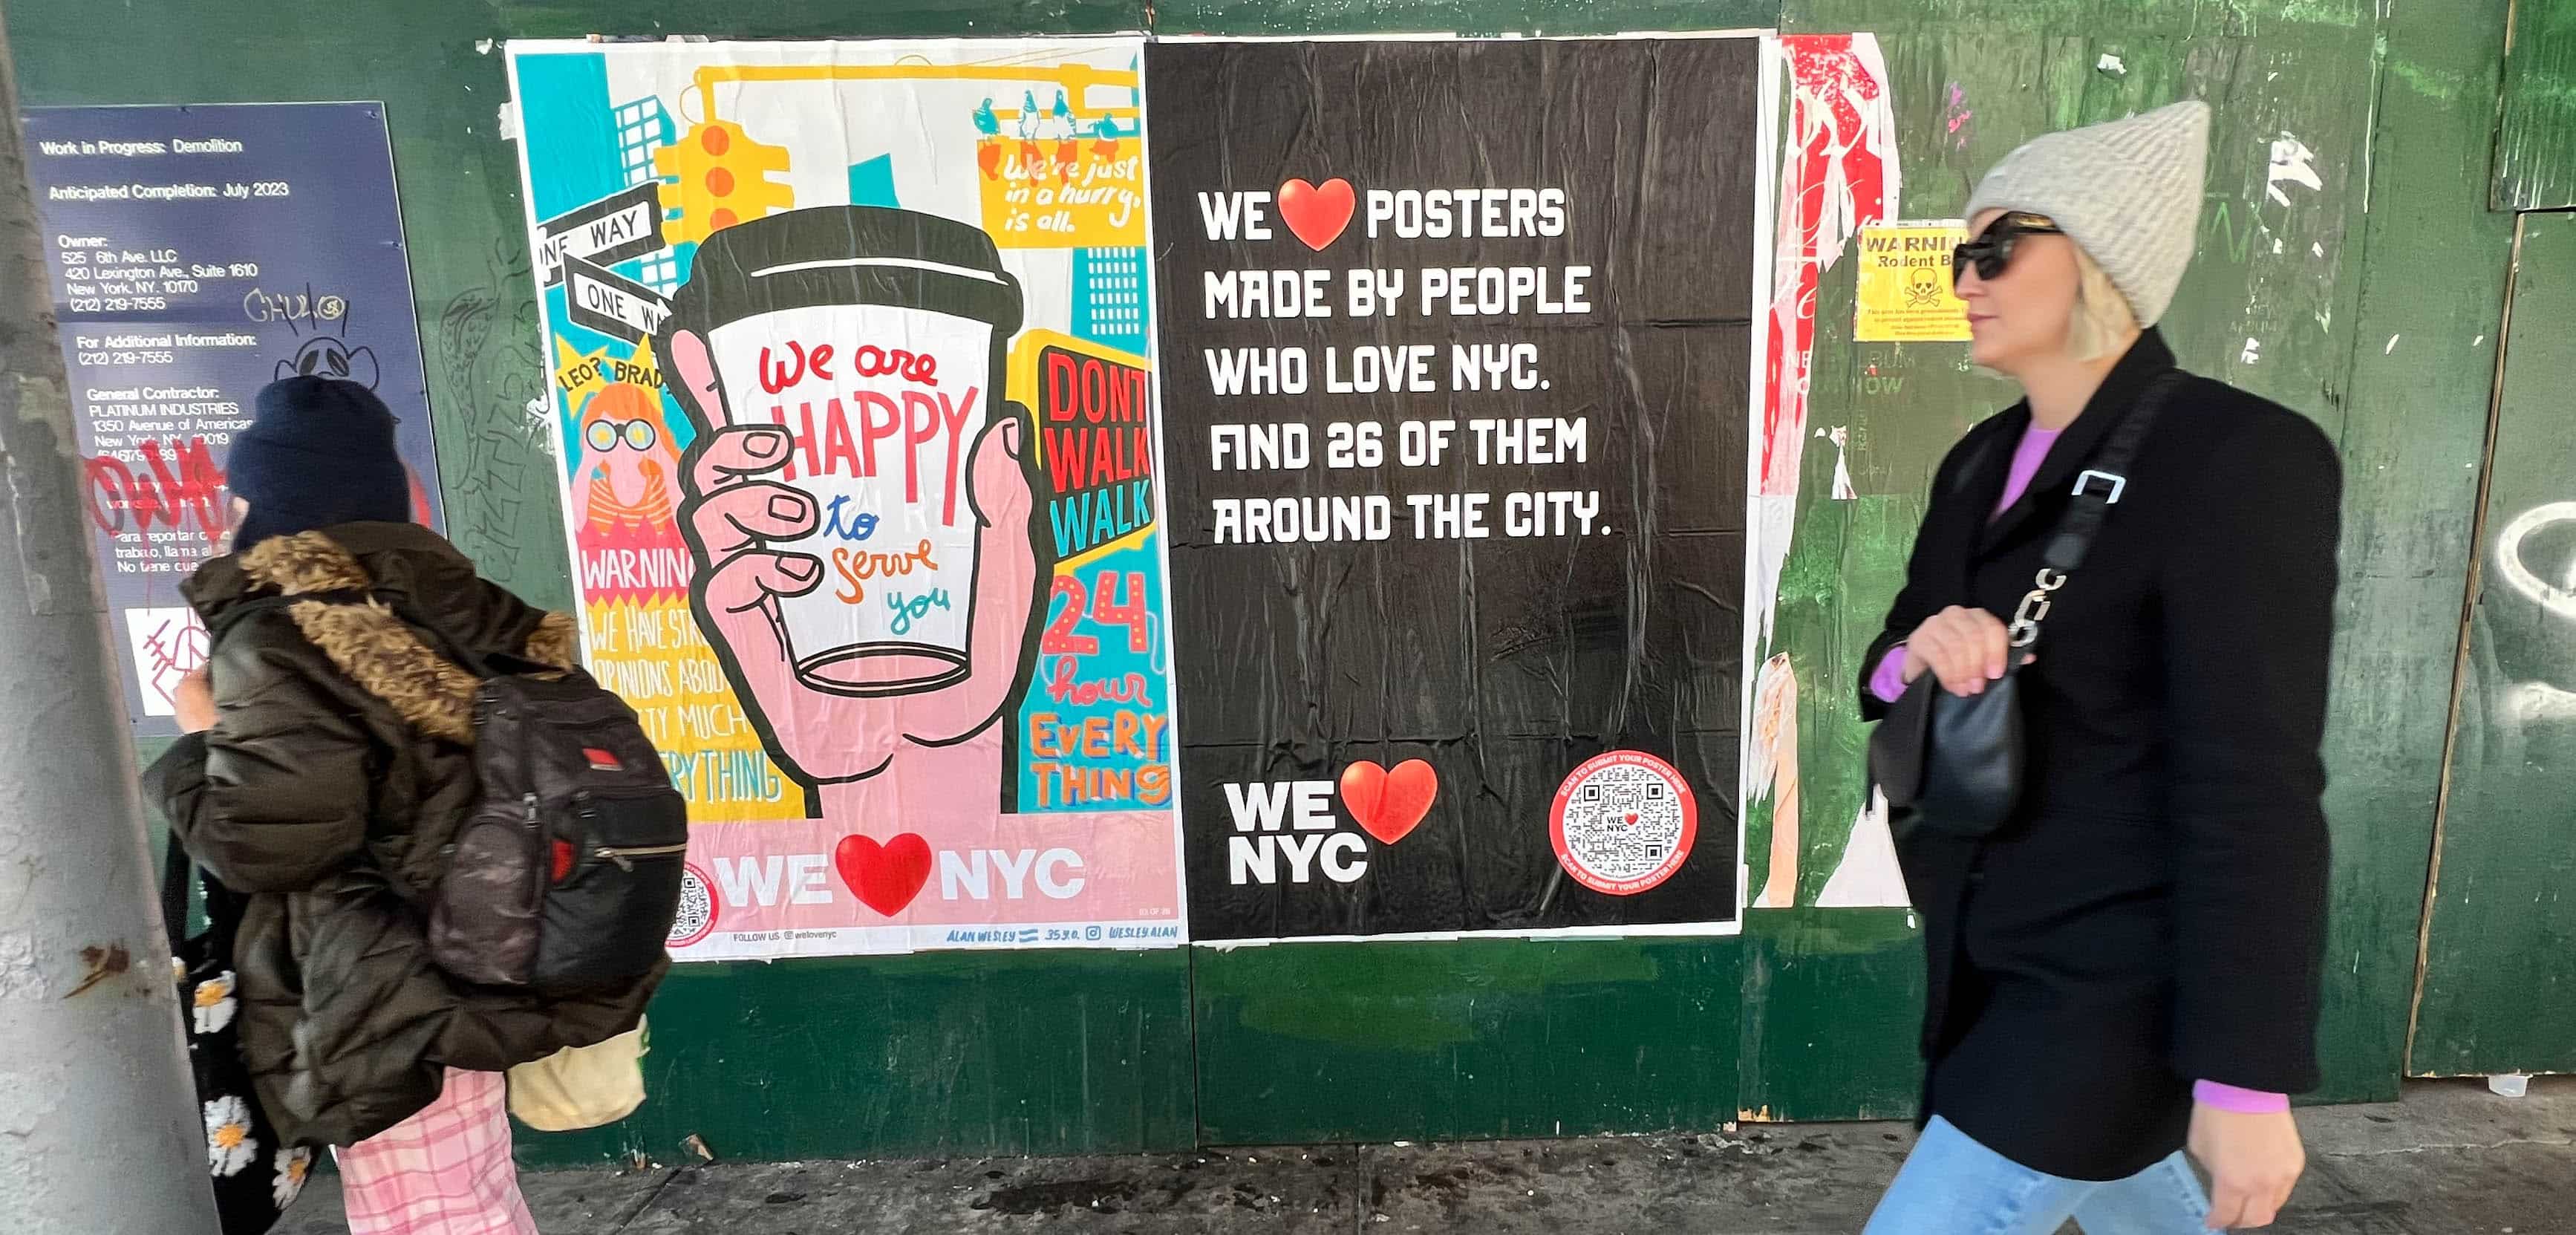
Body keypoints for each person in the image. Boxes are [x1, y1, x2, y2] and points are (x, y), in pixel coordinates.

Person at [1858, 102, 2341, 1233]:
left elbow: (2255, 781)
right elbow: (1888, 660)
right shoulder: (1978, 460)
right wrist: (1911, 657)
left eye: (1993, 248)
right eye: (1954, 252)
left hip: (2118, 989)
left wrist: (2242, 1076)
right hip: (1990, 960)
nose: (1962, 276)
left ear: (2098, 259)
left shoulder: (2235, 457)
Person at [146, 375, 665, 1234]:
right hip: (504, 952)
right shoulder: (474, 609)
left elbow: (268, 845)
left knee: (425, 1213)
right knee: (467, 1195)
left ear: (272, 507)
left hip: (385, 987)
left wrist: (196, 741)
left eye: (239, 497)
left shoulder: (282, 637)